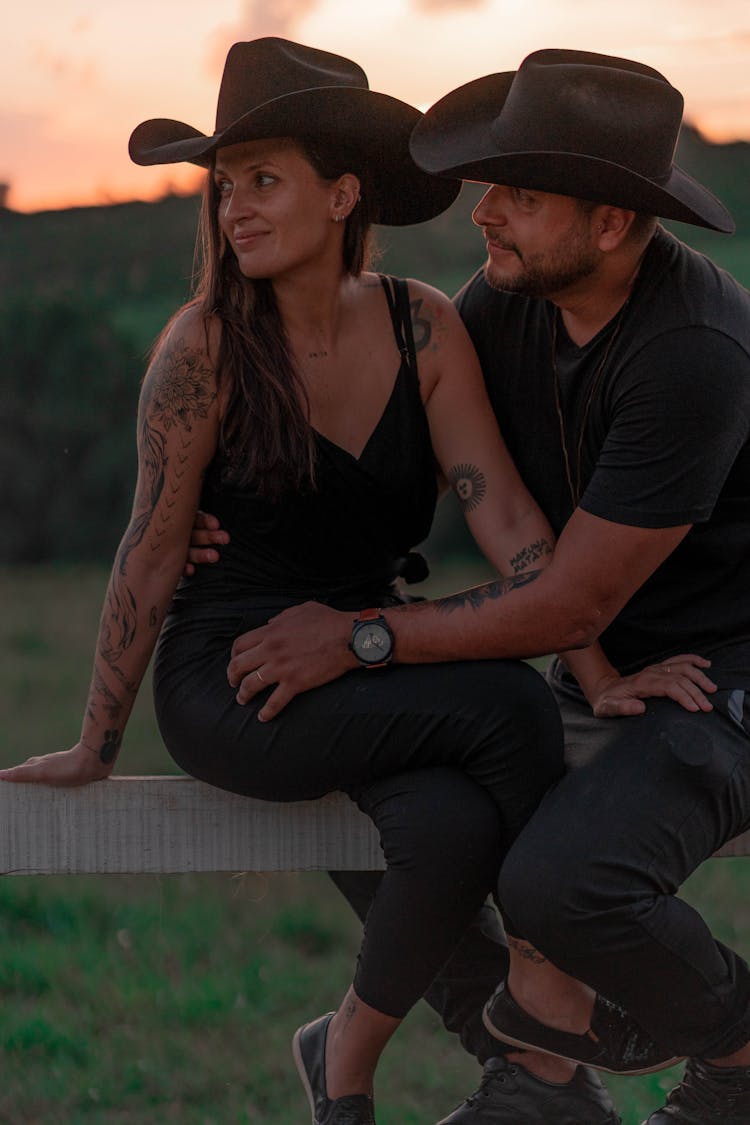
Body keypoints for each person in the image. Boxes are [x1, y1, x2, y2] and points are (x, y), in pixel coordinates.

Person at [0, 36, 589, 1125]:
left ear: (342, 192)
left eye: (263, 181)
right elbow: (153, 546)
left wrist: (595, 661)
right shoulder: (206, 346)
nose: (235, 210)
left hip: (364, 653)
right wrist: (97, 742)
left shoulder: (423, 324)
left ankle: (348, 1065)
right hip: (231, 681)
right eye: (224, 188)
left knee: (450, 824)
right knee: (513, 707)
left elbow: (500, 510)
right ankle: (550, 1032)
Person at [212, 49, 750, 1124]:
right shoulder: (503, 308)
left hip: (721, 668)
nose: (484, 215)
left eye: (521, 196)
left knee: (565, 883)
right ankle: (538, 1074)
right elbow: (383, 475)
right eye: (489, 187)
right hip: (596, 661)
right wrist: (211, 526)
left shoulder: (693, 351)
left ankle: (736, 1060)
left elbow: (572, 602)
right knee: (366, 778)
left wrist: (363, 636)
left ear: (610, 225)